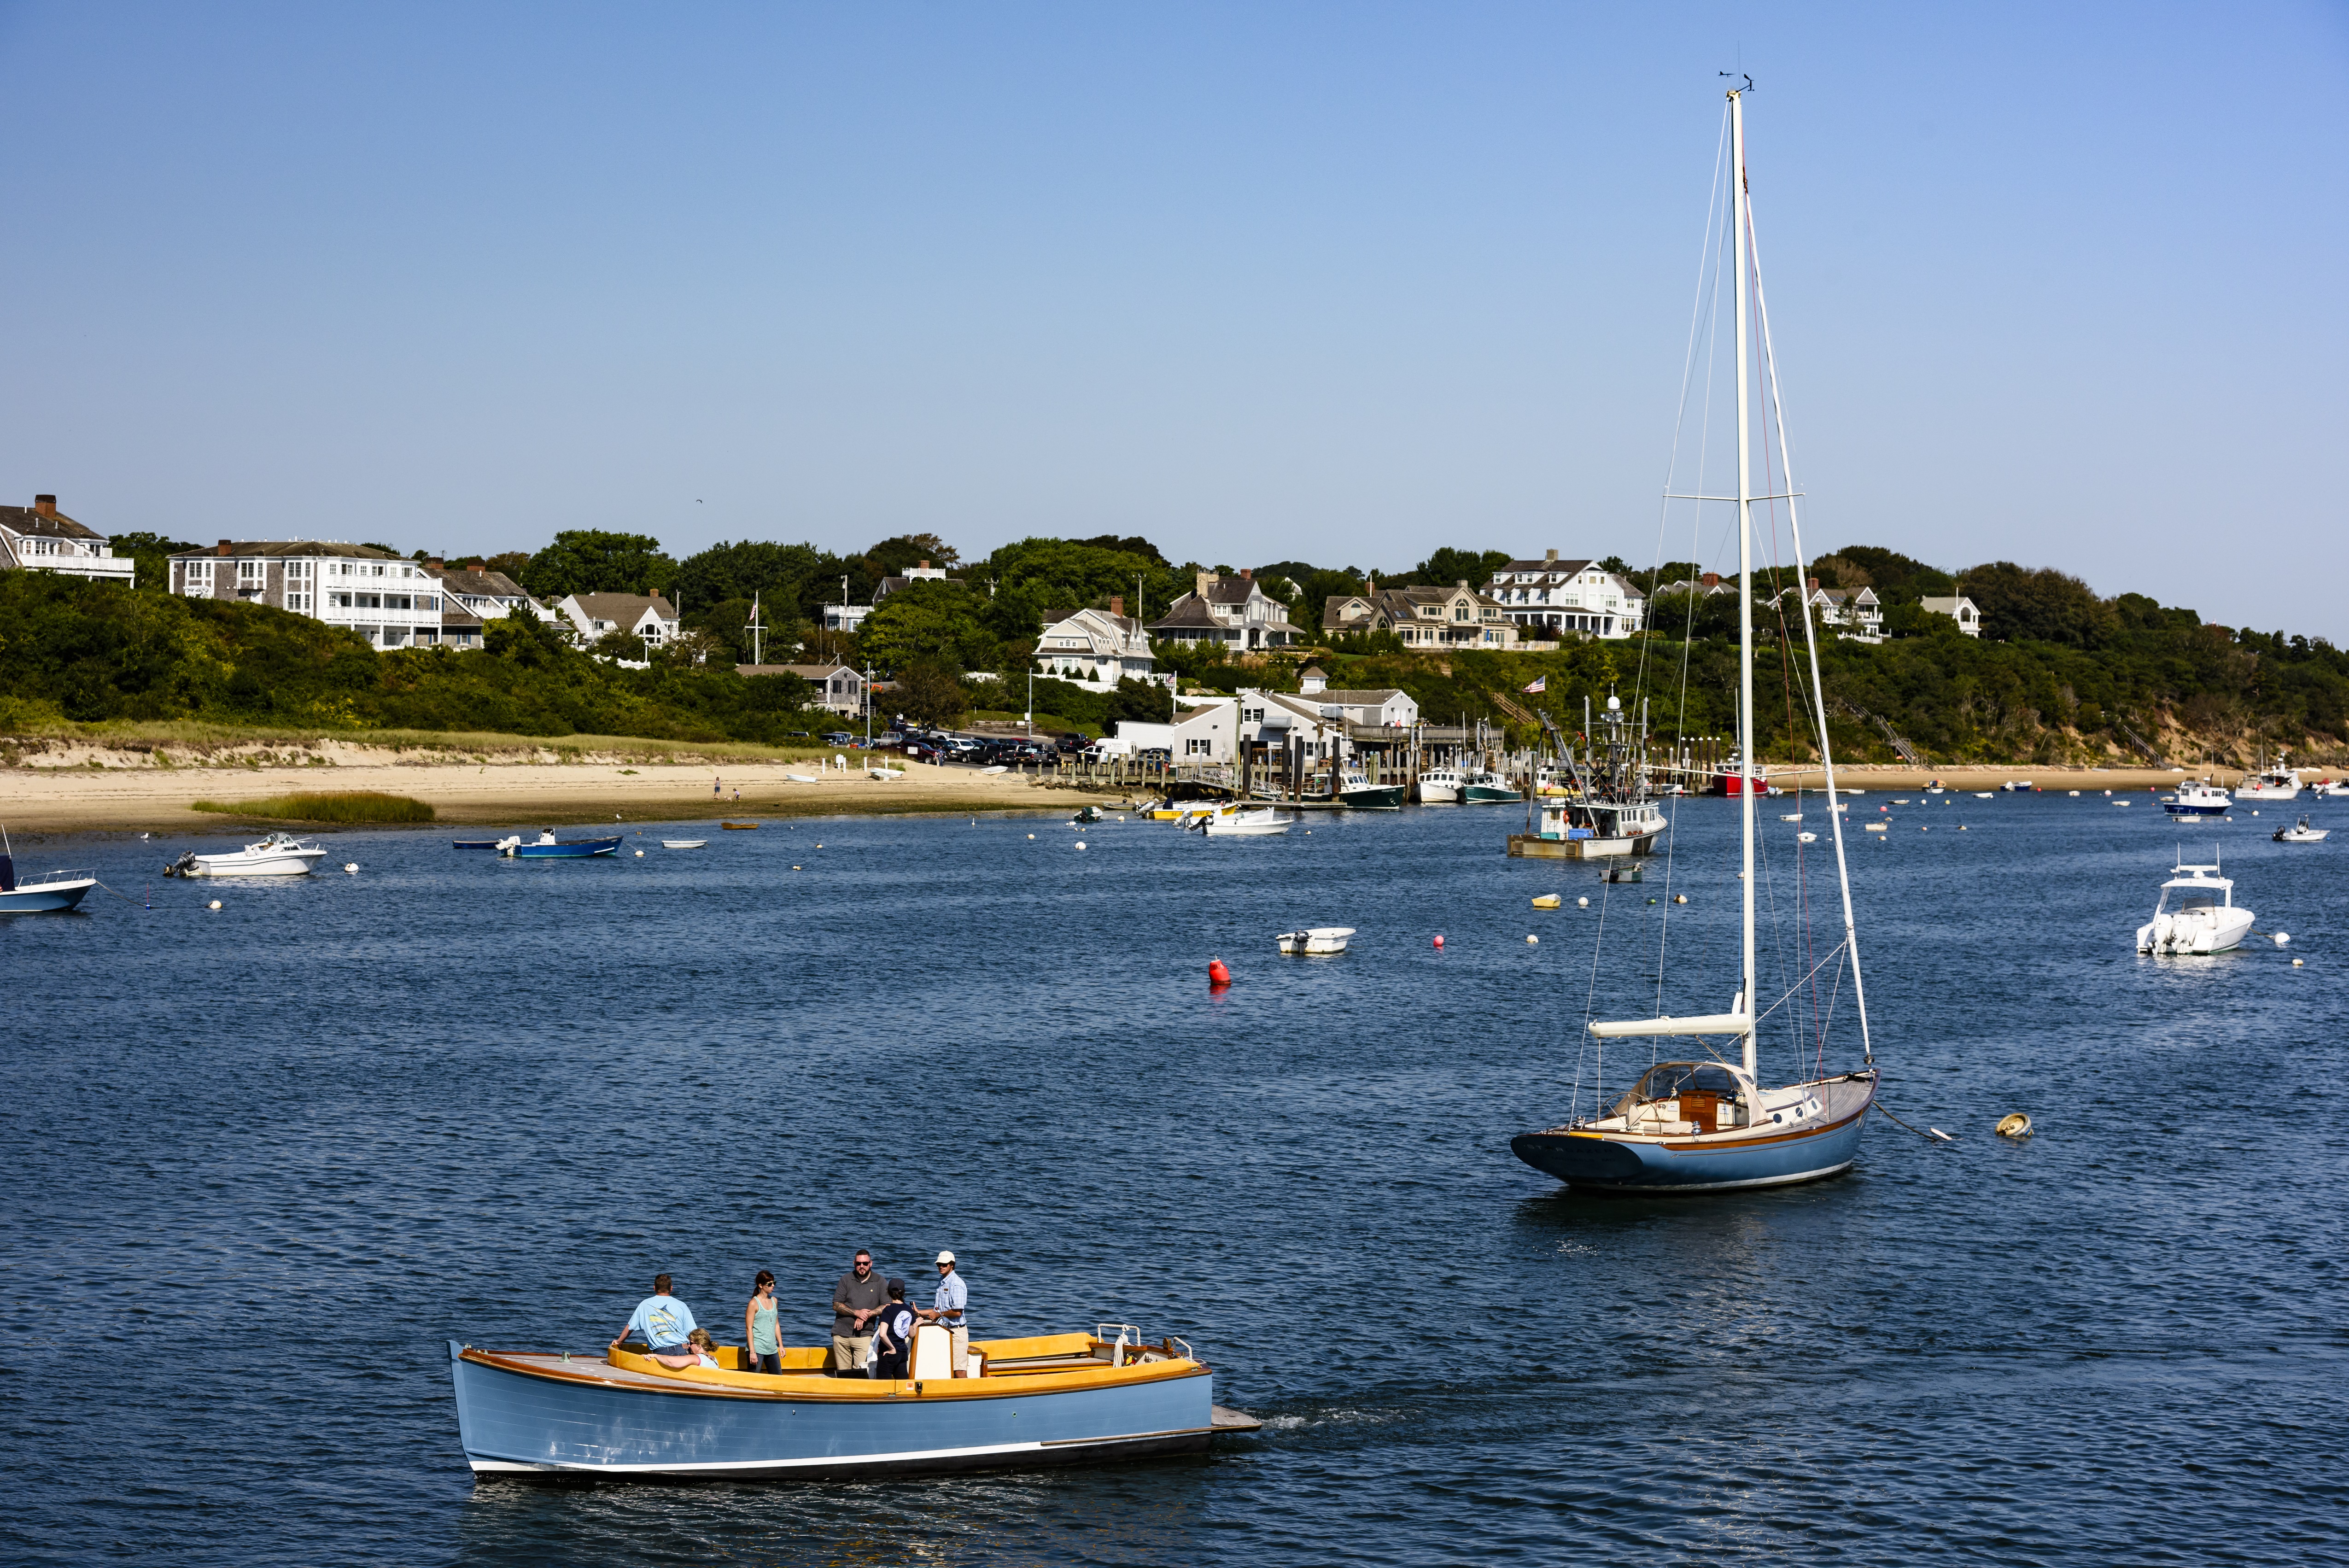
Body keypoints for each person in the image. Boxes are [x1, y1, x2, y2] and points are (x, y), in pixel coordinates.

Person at [830, 1248, 889, 1375]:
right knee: (843, 1374)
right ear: (854, 1263)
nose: (862, 1266)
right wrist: (857, 1313)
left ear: (871, 1263)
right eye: (858, 1263)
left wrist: (866, 1315)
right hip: (841, 1335)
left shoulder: (880, 1281)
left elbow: (886, 1306)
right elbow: (836, 1305)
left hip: (864, 1336)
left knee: (861, 1373)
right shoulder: (846, 1279)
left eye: (865, 1263)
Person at [612, 1273, 698, 1357]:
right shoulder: (682, 1305)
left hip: (660, 1352)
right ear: (671, 1288)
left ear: (654, 1288)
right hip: (683, 1349)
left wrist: (619, 1342)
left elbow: (630, 1327)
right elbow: (694, 1332)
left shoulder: (644, 1305)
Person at [917, 1251, 970, 1375]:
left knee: (959, 1371)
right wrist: (919, 1312)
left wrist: (938, 1315)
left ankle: (966, 1393)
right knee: (944, 1367)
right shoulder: (943, 1281)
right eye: (939, 1264)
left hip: (956, 1332)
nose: (941, 1266)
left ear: (952, 1265)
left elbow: (958, 1312)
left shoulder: (956, 1284)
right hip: (944, 1331)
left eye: (944, 1264)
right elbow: (937, 1310)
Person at [869, 1280, 916, 1380]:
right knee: (903, 1385)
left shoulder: (888, 1310)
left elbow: (882, 1334)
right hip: (902, 1353)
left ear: (888, 1292)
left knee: (883, 1387)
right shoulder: (909, 1310)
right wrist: (917, 1324)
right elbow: (911, 1334)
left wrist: (892, 1349)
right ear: (903, 1293)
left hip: (889, 1353)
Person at [744, 1270, 783, 1375]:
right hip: (757, 1348)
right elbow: (749, 1328)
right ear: (761, 1286)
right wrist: (752, 1352)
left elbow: (776, 1325)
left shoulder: (774, 1301)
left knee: (778, 1379)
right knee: (754, 1380)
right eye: (770, 1284)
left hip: (772, 1348)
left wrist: (781, 1345)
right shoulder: (754, 1303)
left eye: (774, 1283)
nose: (773, 1286)